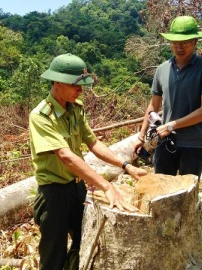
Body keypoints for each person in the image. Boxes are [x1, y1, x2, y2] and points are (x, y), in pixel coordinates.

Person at [29, 53, 147, 270]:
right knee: (53, 256)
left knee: (84, 244)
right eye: (75, 85)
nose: (80, 90)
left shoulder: (75, 109)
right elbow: (65, 156)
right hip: (53, 195)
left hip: (77, 189)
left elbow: (94, 143)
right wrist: (105, 185)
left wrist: (125, 166)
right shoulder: (41, 116)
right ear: (57, 82)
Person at [133, 15, 202, 179]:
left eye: (185, 42)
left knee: (187, 193)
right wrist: (141, 135)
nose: (179, 47)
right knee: (163, 190)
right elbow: (153, 107)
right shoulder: (162, 69)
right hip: (165, 142)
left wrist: (171, 125)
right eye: (175, 42)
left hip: (193, 143)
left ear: (194, 42)